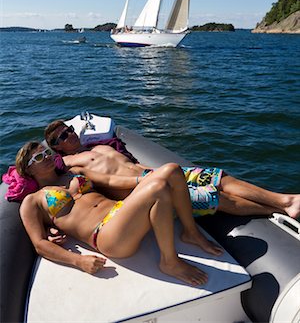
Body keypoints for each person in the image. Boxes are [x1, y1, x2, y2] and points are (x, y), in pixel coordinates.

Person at [17, 141, 224, 286]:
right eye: (38, 157)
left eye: (46, 153)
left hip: (121, 211)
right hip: (105, 234)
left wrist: (143, 180)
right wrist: (78, 261)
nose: (46, 157)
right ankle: (169, 262)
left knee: (171, 170)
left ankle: (191, 232)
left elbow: (108, 181)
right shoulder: (32, 201)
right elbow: (40, 244)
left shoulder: (73, 174)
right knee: (159, 188)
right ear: (28, 169)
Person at [45, 121, 300, 220]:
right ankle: (280, 212)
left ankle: (286, 200)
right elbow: (63, 189)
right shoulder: (67, 164)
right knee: (216, 197)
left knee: (218, 176)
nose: (69, 135)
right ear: (56, 149)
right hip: (144, 188)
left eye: (68, 129)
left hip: (156, 172)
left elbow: (127, 160)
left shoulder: (98, 145)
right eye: (61, 137)